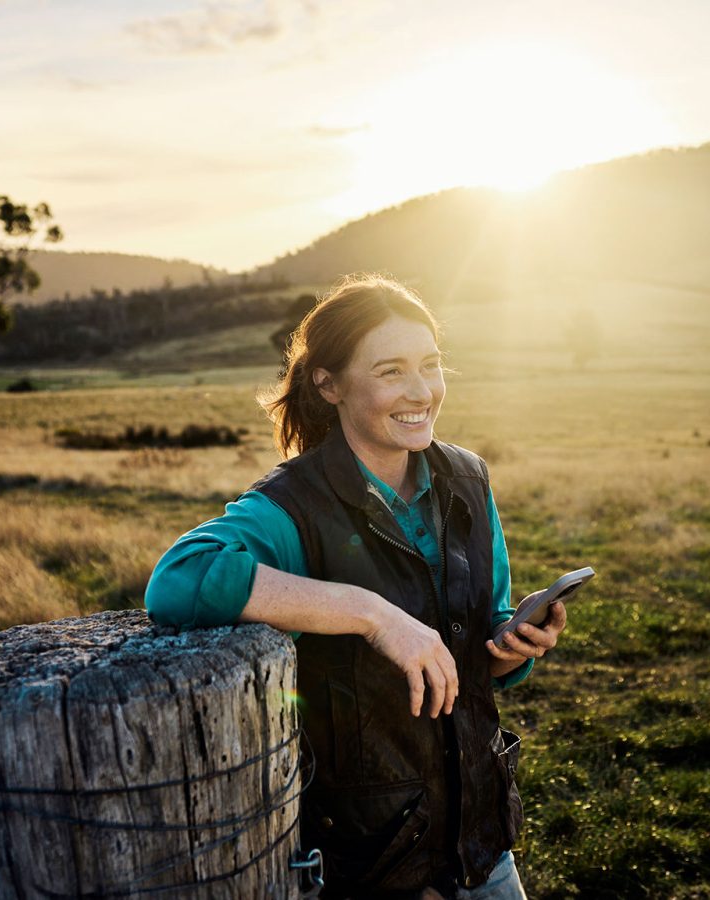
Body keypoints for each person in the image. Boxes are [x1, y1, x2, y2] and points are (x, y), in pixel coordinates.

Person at [144, 274, 568, 899]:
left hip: (480, 842)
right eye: (391, 371)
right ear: (329, 383)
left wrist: (508, 646)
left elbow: (485, 628)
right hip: (372, 861)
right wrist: (369, 612)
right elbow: (178, 580)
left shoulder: (469, 479)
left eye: (430, 365)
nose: (421, 391)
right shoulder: (292, 507)